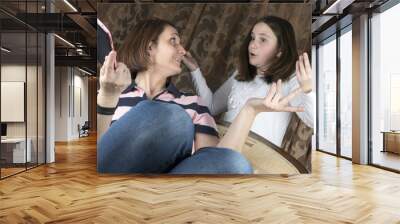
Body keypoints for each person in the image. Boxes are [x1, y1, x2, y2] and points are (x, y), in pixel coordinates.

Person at [97, 18, 305, 174]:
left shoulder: (193, 104)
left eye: (262, 40)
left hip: (167, 195)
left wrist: (250, 109)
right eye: (173, 41)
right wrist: (108, 98)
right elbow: (97, 153)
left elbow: (219, 162)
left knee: (236, 163)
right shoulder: (113, 93)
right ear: (150, 48)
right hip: (115, 183)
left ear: (280, 50)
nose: (183, 49)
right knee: (173, 117)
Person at [183, 16, 314, 147]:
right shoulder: (240, 74)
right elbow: (211, 107)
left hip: (258, 161)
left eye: (262, 39)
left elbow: (313, 121)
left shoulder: (291, 79)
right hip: (222, 149)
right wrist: (195, 69)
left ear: (280, 50)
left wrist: (308, 90)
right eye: (252, 38)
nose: (252, 45)